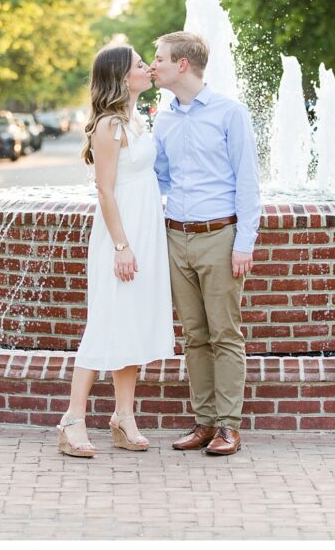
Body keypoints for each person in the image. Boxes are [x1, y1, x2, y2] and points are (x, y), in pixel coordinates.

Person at [56, 45, 176, 458]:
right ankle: (73, 420)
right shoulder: (108, 126)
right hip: (119, 235)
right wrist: (122, 246)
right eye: (141, 65)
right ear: (123, 77)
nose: (148, 68)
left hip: (146, 230)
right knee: (106, 323)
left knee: (134, 322)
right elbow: (105, 191)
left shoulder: (137, 120)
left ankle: (123, 418)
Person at [150, 31, 261, 456]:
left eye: (159, 58)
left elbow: (248, 182)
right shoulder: (164, 118)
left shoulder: (230, 113)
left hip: (220, 236)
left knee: (224, 334)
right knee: (194, 335)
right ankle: (204, 421)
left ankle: (229, 426)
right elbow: (159, 178)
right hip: (176, 237)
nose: (153, 64)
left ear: (182, 64)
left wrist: (244, 243)